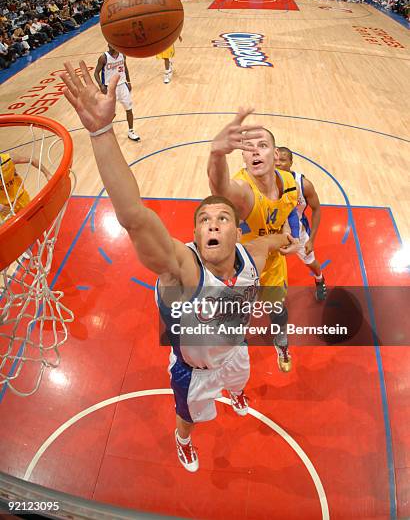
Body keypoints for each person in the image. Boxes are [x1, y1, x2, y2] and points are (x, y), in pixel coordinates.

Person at [61, 61, 295, 473]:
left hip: (235, 353)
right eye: (204, 220)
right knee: (189, 416)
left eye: (222, 218)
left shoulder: (252, 255)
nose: (213, 224)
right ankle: (182, 439)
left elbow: (273, 241)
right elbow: (133, 215)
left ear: (236, 232)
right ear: (196, 235)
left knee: (239, 378)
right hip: (196, 370)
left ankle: (236, 393)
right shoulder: (182, 271)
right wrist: (100, 131)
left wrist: (289, 242)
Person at [207, 110, 300, 373]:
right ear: (244, 157)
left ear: (276, 154)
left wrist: (292, 237)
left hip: (271, 263)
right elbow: (221, 188)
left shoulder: (290, 183)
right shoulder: (243, 190)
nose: (255, 152)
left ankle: (281, 342)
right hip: (240, 267)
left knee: (277, 311)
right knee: (234, 319)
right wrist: (216, 154)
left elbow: (288, 211)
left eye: (262, 146)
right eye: (249, 148)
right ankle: (228, 354)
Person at [276, 147, 327, 301]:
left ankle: (319, 279)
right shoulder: (264, 180)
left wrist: (312, 239)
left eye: (283, 160)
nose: (278, 164)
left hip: (298, 231)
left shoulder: (304, 184)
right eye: (275, 160)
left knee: (311, 262)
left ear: (291, 163)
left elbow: (317, 209)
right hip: (272, 230)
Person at [94, 44, 140, 142]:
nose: (111, 47)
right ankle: (103, 131)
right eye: (109, 45)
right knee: (111, 113)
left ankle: (131, 132)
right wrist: (101, 85)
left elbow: (125, 68)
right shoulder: (103, 57)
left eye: (113, 45)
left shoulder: (122, 55)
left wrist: (128, 81)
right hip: (110, 88)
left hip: (122, 85)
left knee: (129, 109)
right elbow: (96, 73)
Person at [0, 153, 51, 223]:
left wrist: (47, 174)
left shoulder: (8, 159)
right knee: (18, 231)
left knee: (35, 221)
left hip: (21, 198)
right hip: (5, 208)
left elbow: (32, 159)